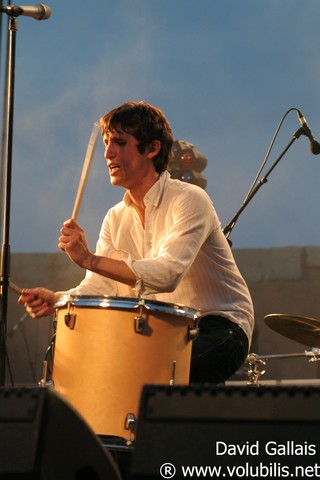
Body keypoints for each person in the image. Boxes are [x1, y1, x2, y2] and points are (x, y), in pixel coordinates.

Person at [18, 100, 254, 384]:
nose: (107, 153)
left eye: (119, 142)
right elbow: (98, 287)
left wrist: (89, 259)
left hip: (220, 327)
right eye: (105, 142)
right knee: (76, 364)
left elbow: (167, 275)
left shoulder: (190, 199)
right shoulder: (115, 218)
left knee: (148, 374)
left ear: (152, 149)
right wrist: (57, 299)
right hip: (163, 331)